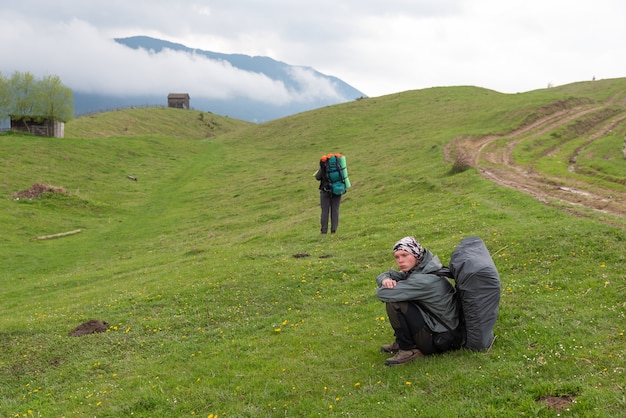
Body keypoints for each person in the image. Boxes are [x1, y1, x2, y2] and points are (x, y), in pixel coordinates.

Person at [375, 236, 462, 366]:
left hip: (440, 340)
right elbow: (390, 274)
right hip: (442, 332)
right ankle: (402, 343)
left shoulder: (424, 280)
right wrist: (385, 279)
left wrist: (384, 285)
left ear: (416, 255)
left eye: (404, 255)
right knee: (401, 299)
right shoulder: (424, 269)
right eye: (397, 257)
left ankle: (407, 349)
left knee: (395, 303)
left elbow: (383, 294)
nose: (400, 260)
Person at [315, 157, 342, 234]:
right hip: (337, 190)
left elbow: (317, 177)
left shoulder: (324, 166)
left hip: (325, 191)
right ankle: (334, 230)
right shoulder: (339, 165)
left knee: (325, 211)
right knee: (335, 210)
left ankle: (324, 230)